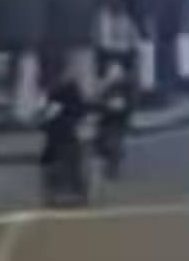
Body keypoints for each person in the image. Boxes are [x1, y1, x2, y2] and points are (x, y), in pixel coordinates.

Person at [40, 72, 89, 201]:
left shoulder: (56, 97)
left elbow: (48, 117)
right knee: (73, 166)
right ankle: (77, 193)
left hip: (59, 137)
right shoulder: (73, 100)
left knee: (58, 165)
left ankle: (58, 193)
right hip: (70, 136)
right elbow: (81, 112)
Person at [95, 59, 132, 177]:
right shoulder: (106, 85)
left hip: (117, 119)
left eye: (115, 73)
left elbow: (130, 102)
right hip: (107, 118)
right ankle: (111, 164)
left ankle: (113, 168)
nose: (114, 76)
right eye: (112, 73)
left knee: (114, 143)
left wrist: (124, 109)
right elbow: (99, 98)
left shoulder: (125, 86)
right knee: (105, 143)